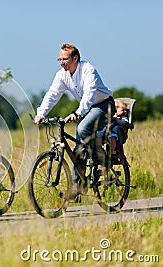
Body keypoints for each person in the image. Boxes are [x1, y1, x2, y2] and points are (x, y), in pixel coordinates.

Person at [34, 43, 115, 196]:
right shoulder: (62, 75)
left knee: (82, 129)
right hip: (86, 109)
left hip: (103, 106)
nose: (61, 62)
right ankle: (78, 186)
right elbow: (52, 95)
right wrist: (41, 113)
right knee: (78, 149)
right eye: (59, 59)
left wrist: (78, 113)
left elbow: (89, 95)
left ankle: (103, 164)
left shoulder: (88, 70)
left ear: (75, 58)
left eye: (65, 59)